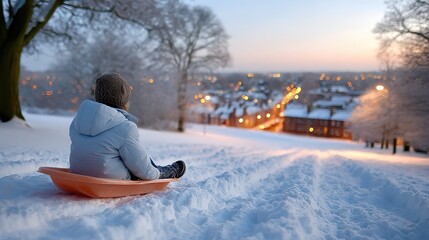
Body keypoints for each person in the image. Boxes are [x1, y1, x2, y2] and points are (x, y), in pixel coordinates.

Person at [69, 73, 186, 180]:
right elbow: (146, 173)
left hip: (78, 173)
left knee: (129, 153)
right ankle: (169, 171)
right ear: (123, 95)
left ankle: (156, 167)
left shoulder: (77, 121)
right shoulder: (125, 127)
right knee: (140, 161)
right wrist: (158, 174)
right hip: (110, 179)